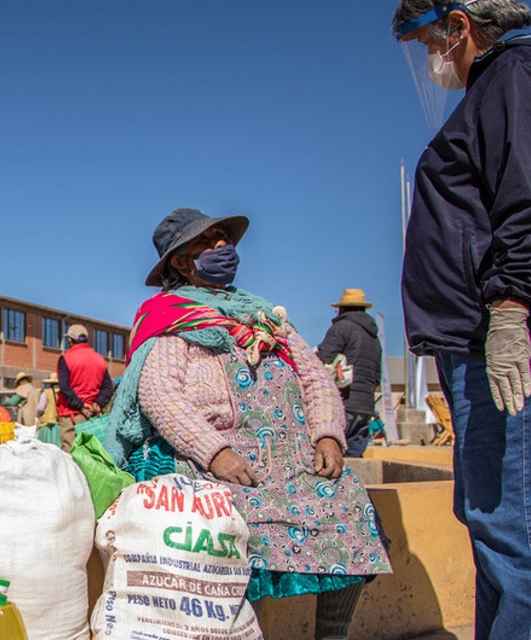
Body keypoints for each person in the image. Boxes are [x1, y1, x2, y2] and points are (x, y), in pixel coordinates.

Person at [107, 208, 391, 640]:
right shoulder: (169, 318)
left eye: (225, 238)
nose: (224, 247)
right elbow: (160, 394)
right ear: (182, 262)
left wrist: (329, 435)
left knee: (350, 504)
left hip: (292, 459)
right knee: (237, 527)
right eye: (209, 242)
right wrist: (215, 452)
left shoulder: (263, 315)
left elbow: (315, 376)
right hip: (218, 460)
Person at [392, 2, 531, 637]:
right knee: (489, 526)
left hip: (492, 347)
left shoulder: (513, 77)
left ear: (459, 25)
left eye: (428, 42)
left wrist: (510, 306)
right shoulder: (495, 87)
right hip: (469, 344)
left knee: (511, 532)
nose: (429, 59)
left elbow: (523, 199)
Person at [316, 289, 383, 458]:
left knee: (333, 456)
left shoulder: (341, 328)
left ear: (342, 309)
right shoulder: (373, 337)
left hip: (345, 401)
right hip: (366, 405)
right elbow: (376, 375)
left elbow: (323, 358)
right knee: (355, 457)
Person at [56, 324, 114, 452]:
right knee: (93, 455)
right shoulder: (99, 359)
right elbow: (108, 388)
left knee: (70, 456)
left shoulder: (66, 358)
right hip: (93, 417)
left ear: (70, 340)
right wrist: (98, 404)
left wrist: (81, 406)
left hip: (72, 415)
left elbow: (64, 387)